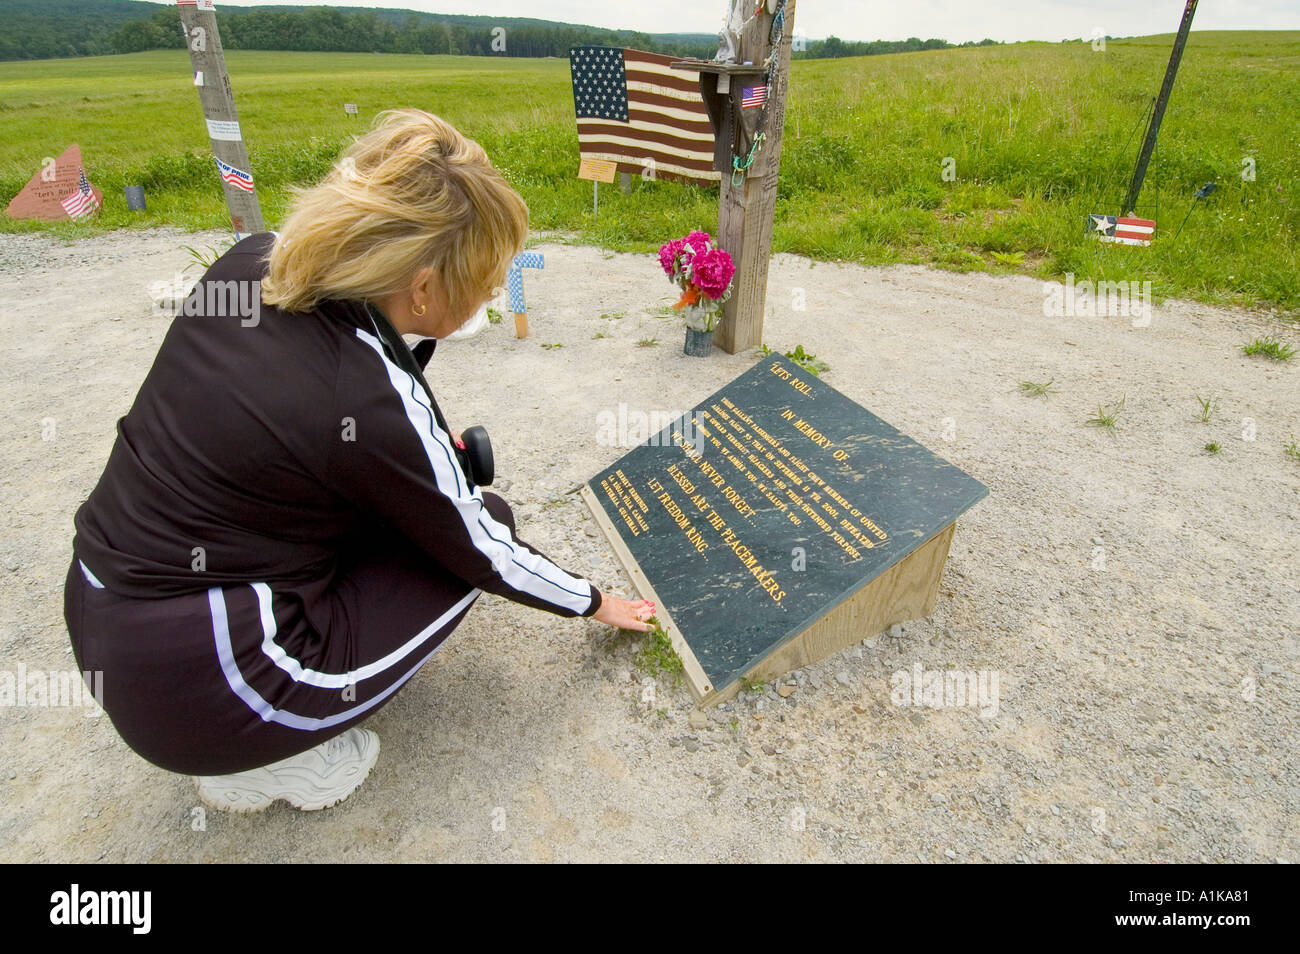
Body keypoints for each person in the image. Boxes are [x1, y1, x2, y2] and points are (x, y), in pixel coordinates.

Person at [64, 108, 655, 814]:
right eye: (487, 276)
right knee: (484, 519)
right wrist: (595, 601)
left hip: (103, 605)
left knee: (406, 512)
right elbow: (479, 547)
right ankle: (265, 762)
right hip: (209, 683)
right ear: (426, 286)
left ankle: (231, 728)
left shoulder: (251, 262)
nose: (494, 291)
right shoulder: (362, 389)